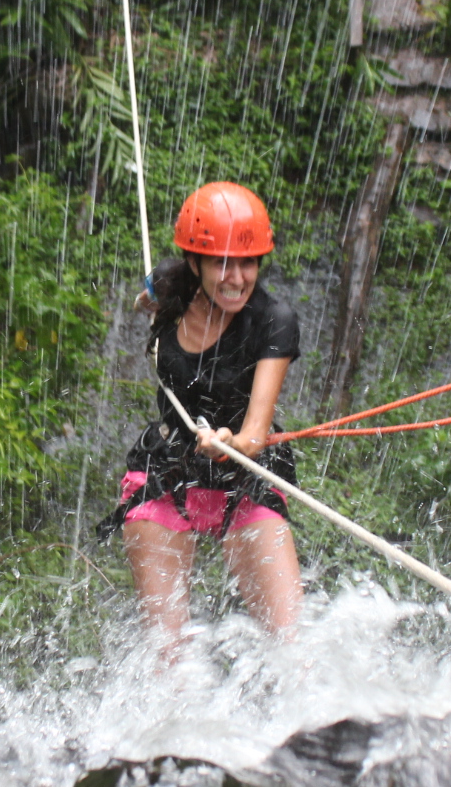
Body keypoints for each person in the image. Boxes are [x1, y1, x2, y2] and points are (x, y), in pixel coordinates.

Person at [97, 182, 303, 657]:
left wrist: (234, 441)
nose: (236, 277)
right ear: (195, 264)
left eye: (248, 262)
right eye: (222, 263)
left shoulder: (274, 321)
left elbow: (256, 430)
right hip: (168, 474)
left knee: (291, 647)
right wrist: (150, 301)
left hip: (247, 478)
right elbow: (147, 296)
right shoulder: (170, 287)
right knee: (169, 657)